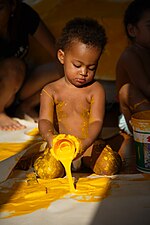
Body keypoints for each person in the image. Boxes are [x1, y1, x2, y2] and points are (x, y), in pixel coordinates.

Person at [38, 17, 107, 170]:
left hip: (88, 146)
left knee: (108, 165)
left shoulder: (96, 90)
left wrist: (86, 142)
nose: (84, 72)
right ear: (62, 57)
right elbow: (44, 120)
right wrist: (51, 139)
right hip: (60, 147)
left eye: (91, 67)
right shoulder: (50, 91)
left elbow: (96, 122)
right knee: (48, 170)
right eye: (77, 65)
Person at [0, 0, 63, 131]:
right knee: (13, 67)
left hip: (20, 86)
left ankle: (25, 106)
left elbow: (56, 51)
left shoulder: (24, 14)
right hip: (5, 85)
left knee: (66, 68)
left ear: (12, 6)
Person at [116, 0, 150, 135]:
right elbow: (146, 88)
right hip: (134, 117)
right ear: (132, 30)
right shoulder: (130, 55)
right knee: (127, 91)